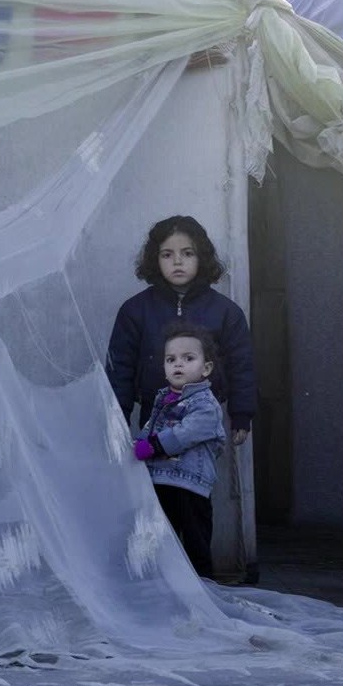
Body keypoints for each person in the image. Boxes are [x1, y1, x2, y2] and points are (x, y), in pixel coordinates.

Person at [106, 215, 255, 446]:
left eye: (187, 253)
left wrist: (242, 415)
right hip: (152, 418)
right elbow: (120, 370)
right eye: (167, 254)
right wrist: (118, 423)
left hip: (205, 421)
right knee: (155, 476)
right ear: (155, 259)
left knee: (193, 479)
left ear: (201, 258)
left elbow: (242, 365)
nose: (177, 261)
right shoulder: (135, 311)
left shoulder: (226, 312)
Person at [133, 323, 226, 578]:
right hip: (161, 481)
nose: (178, 365)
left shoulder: (206, 405)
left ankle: (204, 588)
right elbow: (150, 430)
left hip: (190, 486)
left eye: (188, 358)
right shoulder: (162, 399)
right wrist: (137, 445)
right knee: (163, 538)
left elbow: (187, 432)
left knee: (195, 540)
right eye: (170, 359)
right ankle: (168, 588)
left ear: (206, 368)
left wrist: (153, 446)